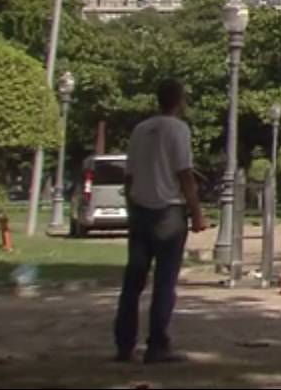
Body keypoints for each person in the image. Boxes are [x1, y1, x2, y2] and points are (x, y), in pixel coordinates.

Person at [113, 77, 208, 364]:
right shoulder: (178, 130)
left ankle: (124, 343)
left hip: (141, 208)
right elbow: (184, 174)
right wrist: (197, 213)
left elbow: (128, 176)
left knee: (133, 281)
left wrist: (132, 207)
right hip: (168, 211)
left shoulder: (140, 130)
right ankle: (157, 345)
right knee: (165, 281)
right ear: (180, 101)